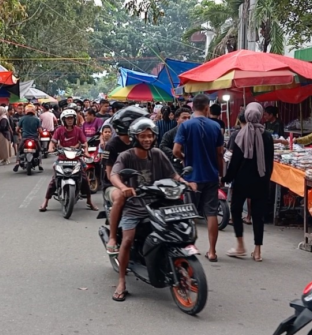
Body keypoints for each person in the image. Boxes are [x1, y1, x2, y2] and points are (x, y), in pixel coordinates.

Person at [110, 118, 191, 301]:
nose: (147, 139)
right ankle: (122, 280)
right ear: (135, 137)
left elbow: (173, 174)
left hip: (160, 204)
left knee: (178, 230)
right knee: (128, 240)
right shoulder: (126, 156)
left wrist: (184, 182)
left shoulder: (158, 153)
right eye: (143, 136)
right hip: (135, 206)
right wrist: (123, 188)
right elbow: (114, 174)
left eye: (150, 136)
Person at [174, 94, 225, 262]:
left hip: (191, 177)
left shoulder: (186, 126)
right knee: (211, 214)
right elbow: (219, 153)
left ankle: (191, 247)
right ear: (206, 108)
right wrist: (221, 173)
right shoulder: (216, 126)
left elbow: (175, 150)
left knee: (190, 213)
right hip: (211, 175)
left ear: (193, 107)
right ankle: (212, 251)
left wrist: (184, 158)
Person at [222, 103, 274, 262]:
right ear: (259, 115)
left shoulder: (240, 135)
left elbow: (235, 162)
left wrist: (226, 179)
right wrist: (266, 179)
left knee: (236, 210)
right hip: (261, 180)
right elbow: (270, 162)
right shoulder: (267, 136)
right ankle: (257, 251)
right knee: (258, 215)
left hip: (242, 181)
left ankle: (240, 245)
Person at [101, 106, 149, 255]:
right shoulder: (112, 145)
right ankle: (113, 237)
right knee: (120, 197)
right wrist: (122, 186)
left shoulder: (142, 142)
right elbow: (109, 174)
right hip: (113, 186)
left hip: (140, 183)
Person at [39, 109, 97, 212]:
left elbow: (84, 143)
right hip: (62, 159)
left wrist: (86, 152)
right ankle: (45, 201)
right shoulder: (59, 130)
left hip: (76, 159)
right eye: (67, 119)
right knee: (54, 179)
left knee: (84, 179)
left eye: (71, 118)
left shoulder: (78, 130)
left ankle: (89, 201)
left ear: (74, 119)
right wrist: (50, 149)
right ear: (63, 120)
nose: (69, 120)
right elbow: (53, 142)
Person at [14, 104, 41, 171]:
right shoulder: (37, 119)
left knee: (19, 150)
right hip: (34, 138)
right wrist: (38, 134)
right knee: (39, 150)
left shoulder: (22, 119)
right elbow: (40, 130)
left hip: (25, 138)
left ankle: (17, 162)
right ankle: (40, 164)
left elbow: (17, 129)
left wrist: (19, 132)